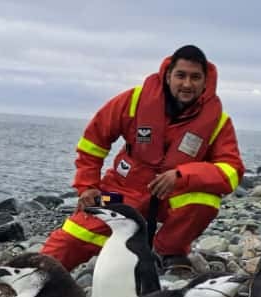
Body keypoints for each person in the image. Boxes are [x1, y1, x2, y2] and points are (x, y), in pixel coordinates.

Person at [41, 45, 245, 272]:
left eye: (195, 77)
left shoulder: (218, 122)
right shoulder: (134, 100)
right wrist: (87, 187)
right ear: (168, 75)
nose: (187, 84)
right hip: (120, 193)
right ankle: (30, 280)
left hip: (170, 198)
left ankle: (168, 251)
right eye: (181, 75)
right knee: (75, 235)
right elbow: (93, 142)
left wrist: (182, 175)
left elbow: (232, 171)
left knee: (205, 200)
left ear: (205, 81)